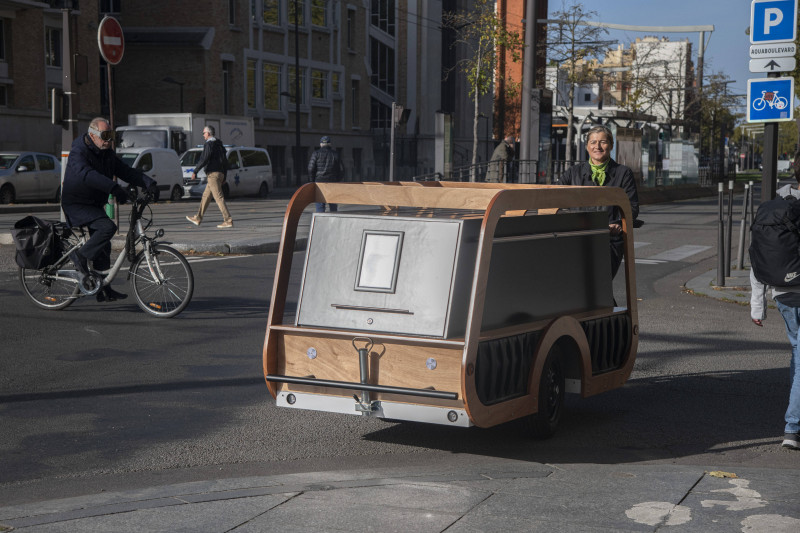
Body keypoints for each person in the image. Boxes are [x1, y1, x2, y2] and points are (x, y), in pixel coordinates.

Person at [62, 117, 157, 302]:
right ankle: (80, 257)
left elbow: (124, 170)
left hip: (94, 203)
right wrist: (113, 188)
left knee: (104, 246)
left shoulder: (106, 153)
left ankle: (103, 289)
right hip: (76, 204)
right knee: (107, 227)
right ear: (92, 135)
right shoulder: (78, 151)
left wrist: (149, 183)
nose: (109, 140)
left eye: (111, 135)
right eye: (105, 136)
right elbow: (87, 174)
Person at [750, 163, 800, 451]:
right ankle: (792, 427)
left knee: (797, 352)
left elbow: (757, 255)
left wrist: (757, 305)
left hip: (782, 294)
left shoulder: (775, 206)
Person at [557, 125, 639, 279]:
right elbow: (554, 199)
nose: (598, 147)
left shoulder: (623, 173)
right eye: (593, 142)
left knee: (598, 281)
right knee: (577, 282)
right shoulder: (573, 173)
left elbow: (632, 207)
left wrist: (619, 225)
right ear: (587, 146)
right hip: (577, 237)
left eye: (603, 142)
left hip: (609, 239)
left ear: (611, 145)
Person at [185, 125, 233, 228]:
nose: (203, 135)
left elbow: (204, 158)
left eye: (204, 133)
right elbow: (225, 161)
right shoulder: (220, 145)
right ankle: (198, 218)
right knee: (206, 196)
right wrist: (224, 175)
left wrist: (195, 171)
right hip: (220, 174)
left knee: (219, 197)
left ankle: (228, 220)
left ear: (208, 133)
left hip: (213, 174)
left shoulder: (209, 144)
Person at [307, 136, 344, 212]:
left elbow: (310, 169)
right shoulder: (335, 154)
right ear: (330, 144)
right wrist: (337, 179)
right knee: (333, 205)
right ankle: (333, 220)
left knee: (320, 205)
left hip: (319, 182)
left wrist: (312, 181)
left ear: (321, 144)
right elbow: (342, 169)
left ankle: (321, 221)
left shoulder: (316, 154)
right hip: (332, 182)